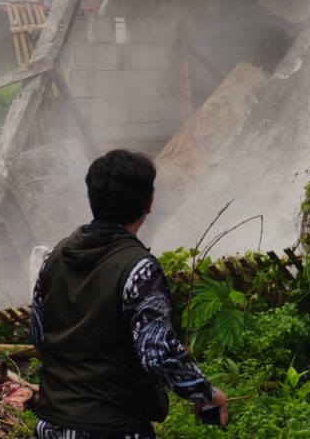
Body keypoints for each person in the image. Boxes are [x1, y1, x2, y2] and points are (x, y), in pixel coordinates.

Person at [31, 149, 229, 437]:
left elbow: (39, 335)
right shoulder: (139, 269)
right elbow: (158, 355)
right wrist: (206, 393)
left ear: (91, 200)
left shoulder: (54, 257)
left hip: (52, 424)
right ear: (149, 203)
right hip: (111, 428)